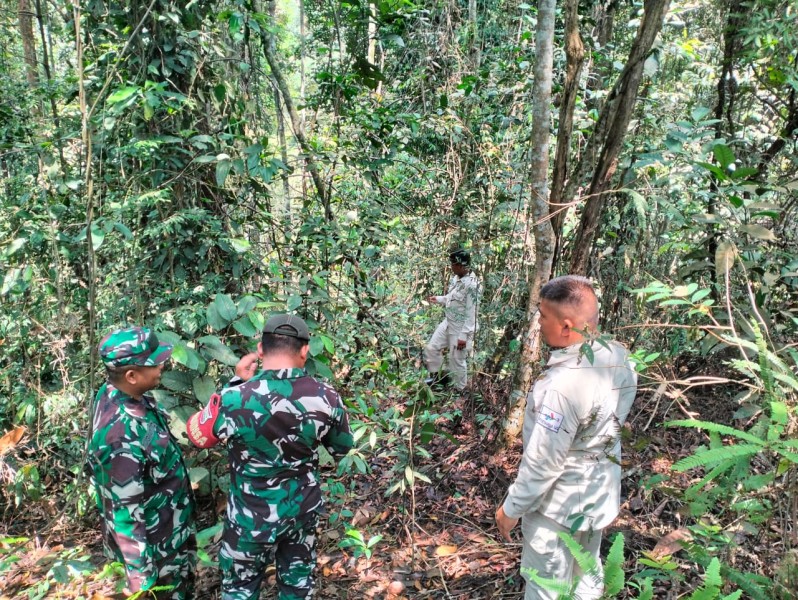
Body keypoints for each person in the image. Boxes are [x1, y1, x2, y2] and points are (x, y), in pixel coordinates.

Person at [186, 314, 353, 600]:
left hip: (249, 518)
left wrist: (235, 383)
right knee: (296, 587)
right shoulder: (326, 397)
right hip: (299, 512)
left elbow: (198, 435)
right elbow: (342, 447)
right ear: (304, 350)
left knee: (239, 590)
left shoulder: (234, 398)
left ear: (261, 350)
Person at [494, 275, 637, 599]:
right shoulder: (619, 356)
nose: (539, 322)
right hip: (597, 495)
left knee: (545, 587)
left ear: (566, 327)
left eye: (543, 315)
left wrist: (511, 509)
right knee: (586, 576)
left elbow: (543, 463)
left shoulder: (562, 386)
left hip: (557, 509)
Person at [87, 326, 196, 599]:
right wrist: (142, 578)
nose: (162, 366)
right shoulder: (118, 437)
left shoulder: (122, 395)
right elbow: (123, 513)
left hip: (171, 532)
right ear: (131, 376)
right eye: (154, 363)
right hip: (157, 554)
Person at [423, 249, 480, 391]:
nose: (451, 267)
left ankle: (460, 390)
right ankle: (439, 379)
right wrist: (439, 299)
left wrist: (463, 336)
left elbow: (471, 312)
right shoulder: (456, 279)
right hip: (448, 322)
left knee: (457, 360)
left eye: (453, 264)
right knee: (432, 348)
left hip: (461, 328)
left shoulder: (472, 285)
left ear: (460, 265)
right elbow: (452, 297)